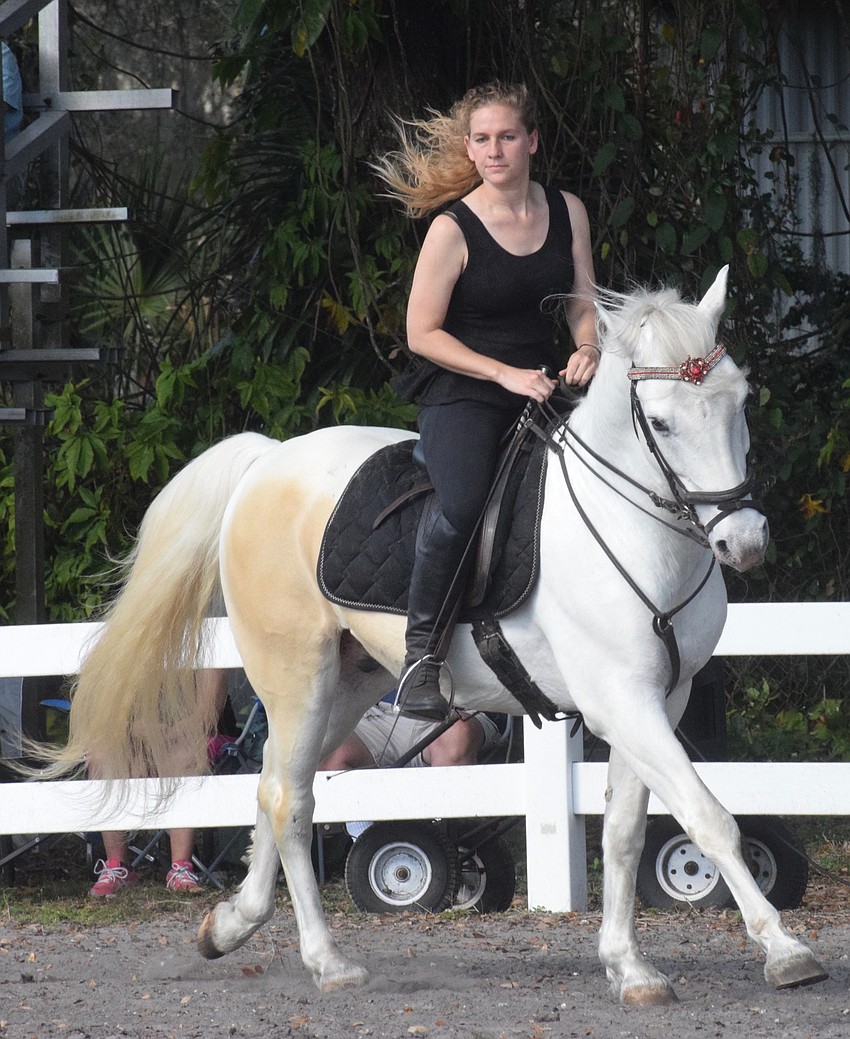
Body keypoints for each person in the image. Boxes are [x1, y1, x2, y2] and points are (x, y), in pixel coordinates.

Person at [374, 82, 599, 721]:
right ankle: (422, 655)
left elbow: (583, 301)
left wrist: (589, 347)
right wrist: (502, 374)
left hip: (548, 382)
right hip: (465, 392)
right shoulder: (452, 228)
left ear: (532, 140)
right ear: (469, 150)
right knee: (466, 501)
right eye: (482, 139)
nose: (494, 150)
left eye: (506, 137)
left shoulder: (569, 210)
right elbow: (422, 333)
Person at [88, 668, 229, 899]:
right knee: (101, 755)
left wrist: (164, 736)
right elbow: (109, 715)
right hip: (140, 737)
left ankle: (181, 867)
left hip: (197, 737)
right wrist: (142, 731)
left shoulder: (211, 641)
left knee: (184, 754)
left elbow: (207, 714)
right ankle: (117, 865)